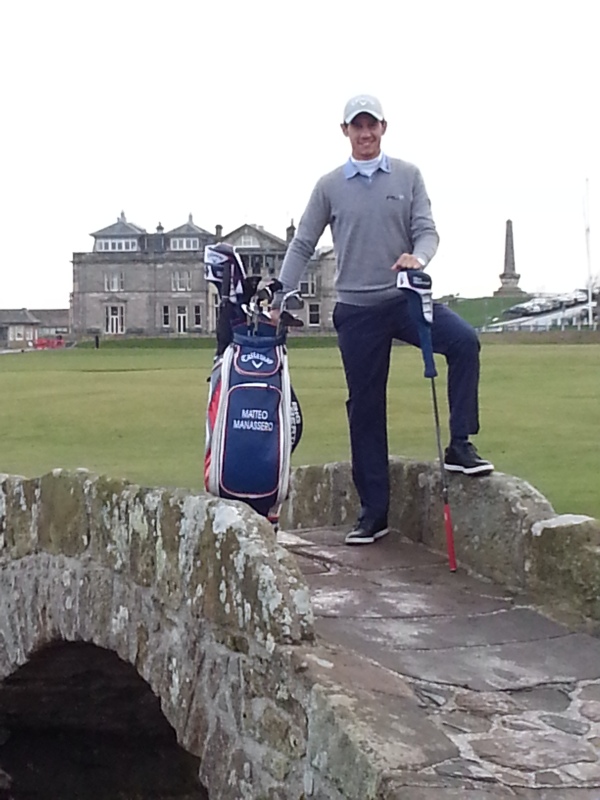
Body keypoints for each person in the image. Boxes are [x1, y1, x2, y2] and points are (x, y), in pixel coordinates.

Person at [276, 94, 493, 546]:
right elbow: (302, 244)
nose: (365, 133)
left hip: (404, 299)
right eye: (357, 127)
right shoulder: (329, 185)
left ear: (383, 127)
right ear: (345, 132)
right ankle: (374, 512)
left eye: (371, 125)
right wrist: (282, 292)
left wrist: (420, 256)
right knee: (366, 408)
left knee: (464, 343)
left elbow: (427, 229)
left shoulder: (409, 176)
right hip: (356, 311)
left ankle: (460, 444)